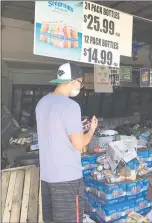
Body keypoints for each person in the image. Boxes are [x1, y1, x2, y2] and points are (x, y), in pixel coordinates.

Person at [36, 62, 98, 223]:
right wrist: (91, 130)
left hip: (47, 177)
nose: (80, 87)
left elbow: (55, 133)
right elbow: (79, 144)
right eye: (80, 83)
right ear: (72, 81)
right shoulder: (71, 106)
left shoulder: (41, 104)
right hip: (67, 180)